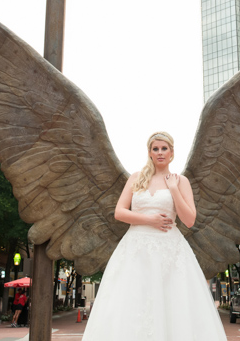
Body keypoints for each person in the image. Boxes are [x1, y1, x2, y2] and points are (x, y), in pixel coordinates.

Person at [81, 132, 227, 341]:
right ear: (149, 152)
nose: (160, 152)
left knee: (171, 303)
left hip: (170, 250)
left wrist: (174, 190)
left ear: (172, 152)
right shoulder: (136, 178)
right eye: (155, 149)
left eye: (164, 148)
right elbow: (119, 212)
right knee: (131, 301)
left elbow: (189, 220)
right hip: (135, 250)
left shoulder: (181, 181)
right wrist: (150, 220)